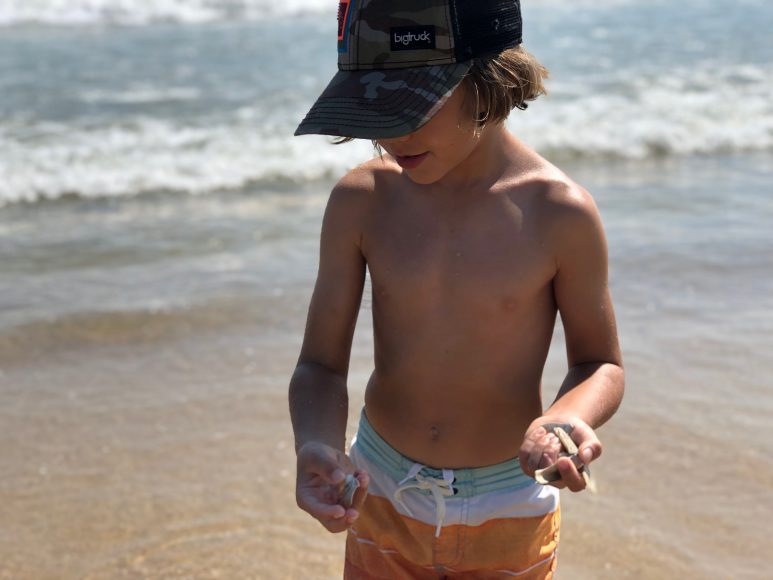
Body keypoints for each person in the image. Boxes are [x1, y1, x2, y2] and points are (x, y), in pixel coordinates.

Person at [289, 0, 624, 577]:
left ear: (490, 78)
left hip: (509, 501)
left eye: (412, 108)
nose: (393, 134)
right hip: (380, 489)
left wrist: (564, 420)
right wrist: (315, 443)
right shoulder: (362, 200)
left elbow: (599, 364)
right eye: (376, 111)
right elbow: (320, 365)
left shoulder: (557, 213)